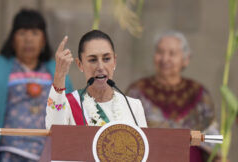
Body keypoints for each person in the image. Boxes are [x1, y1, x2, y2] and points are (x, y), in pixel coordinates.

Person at [0, 9, 73, 162]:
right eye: (22, 33)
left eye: (34, 33)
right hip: (5, 154)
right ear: (12, 39)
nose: (28, 39)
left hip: (49, 155)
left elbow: (71, 113)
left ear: (44, 40)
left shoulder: (57, 71)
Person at [126, 30, 220, 162]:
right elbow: (125, 134)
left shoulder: (199, 93)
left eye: (172, 53)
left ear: (185, 59)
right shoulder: (137, 91)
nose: (165, 59)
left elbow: (213, 139)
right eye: (160, 52)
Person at [45, 30, 147, 129]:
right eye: (93, 60)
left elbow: (144, 144)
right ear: (80, 64)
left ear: (115, 61)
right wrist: (59, 75)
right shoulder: (69, 103)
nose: (101, 67)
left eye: (106, 59)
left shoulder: (133, 106)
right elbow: (54, 131)